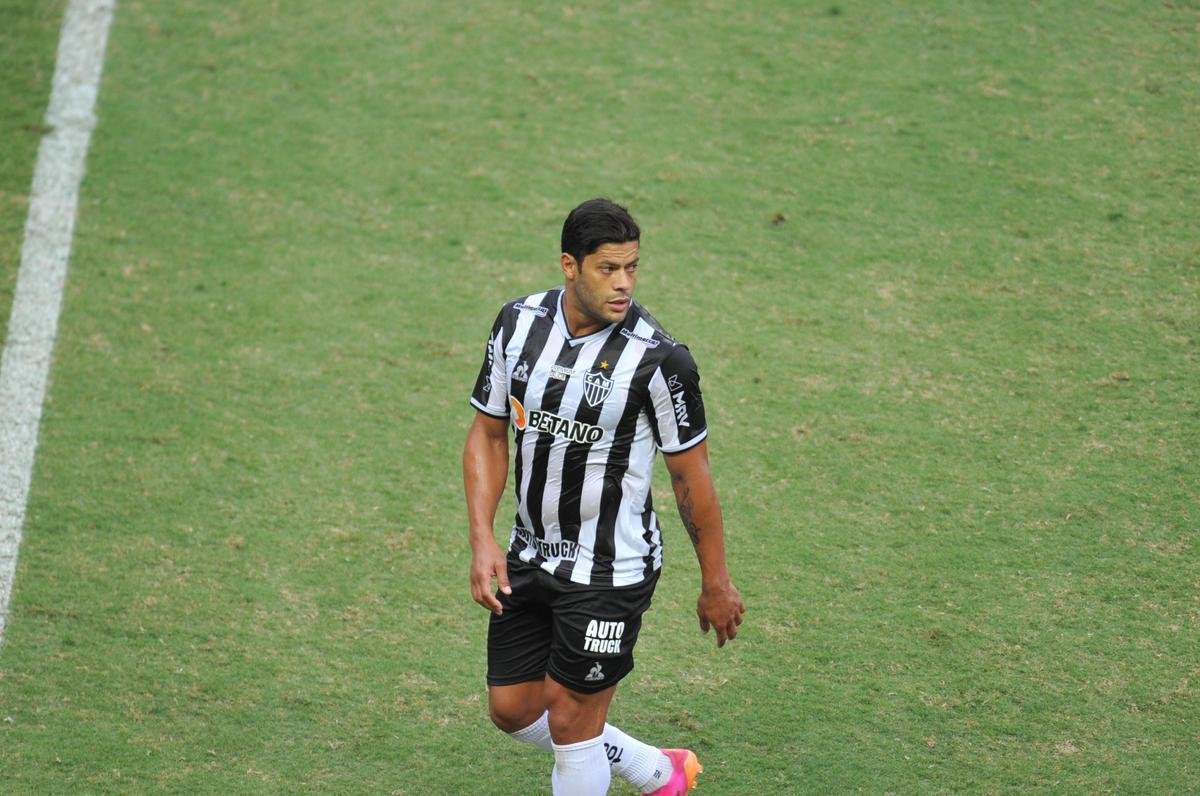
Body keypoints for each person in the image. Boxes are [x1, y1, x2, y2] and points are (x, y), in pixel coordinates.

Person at [463, 198, 745, 795]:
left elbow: (692, 478)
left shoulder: (661, 360)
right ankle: (655, 769)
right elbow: (488, 433)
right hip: (528, 554)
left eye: (632, 268)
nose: (623, 284)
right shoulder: (517, 324)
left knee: (570, 723)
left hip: (610, 568)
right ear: (570, 265)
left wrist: (715, 581)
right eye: (607, 269)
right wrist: (483, 538)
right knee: (512, 710)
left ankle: (623, 764)